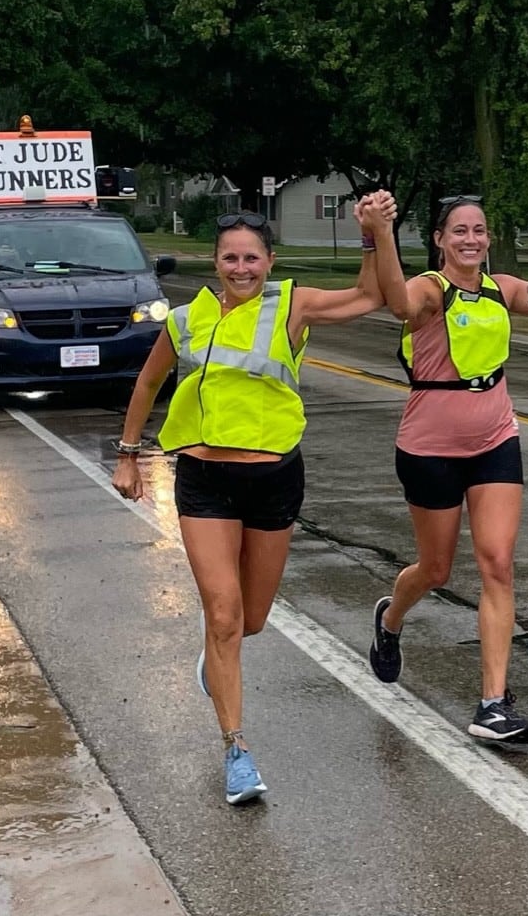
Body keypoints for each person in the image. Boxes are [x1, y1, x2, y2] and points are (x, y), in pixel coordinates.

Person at [111, 197, 397, 805]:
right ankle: (237, 750)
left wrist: (374, 236)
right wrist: (128, 452)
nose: (240, 268)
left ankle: (218, 659)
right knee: (223, 614)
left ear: (270, 260)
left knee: (252, 619)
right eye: (229, 257)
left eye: (251, 257)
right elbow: (149, 381)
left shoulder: (292, 304)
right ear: (215, 262)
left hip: (274, 479)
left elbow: (370, 297)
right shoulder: (187, 318)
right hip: (204, 479)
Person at [366, 190, 528, 745]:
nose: (471, 239)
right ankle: (391, 617)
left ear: (488, 238)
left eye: (479, 230)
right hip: (429, 449)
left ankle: (492, 704)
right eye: (459, 231)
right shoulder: (430, 290)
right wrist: (378, 231)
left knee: (498, 565)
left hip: (496, 441)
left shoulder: (504, 289)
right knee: (436, 569)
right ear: (442, 240)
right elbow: (398, 302)